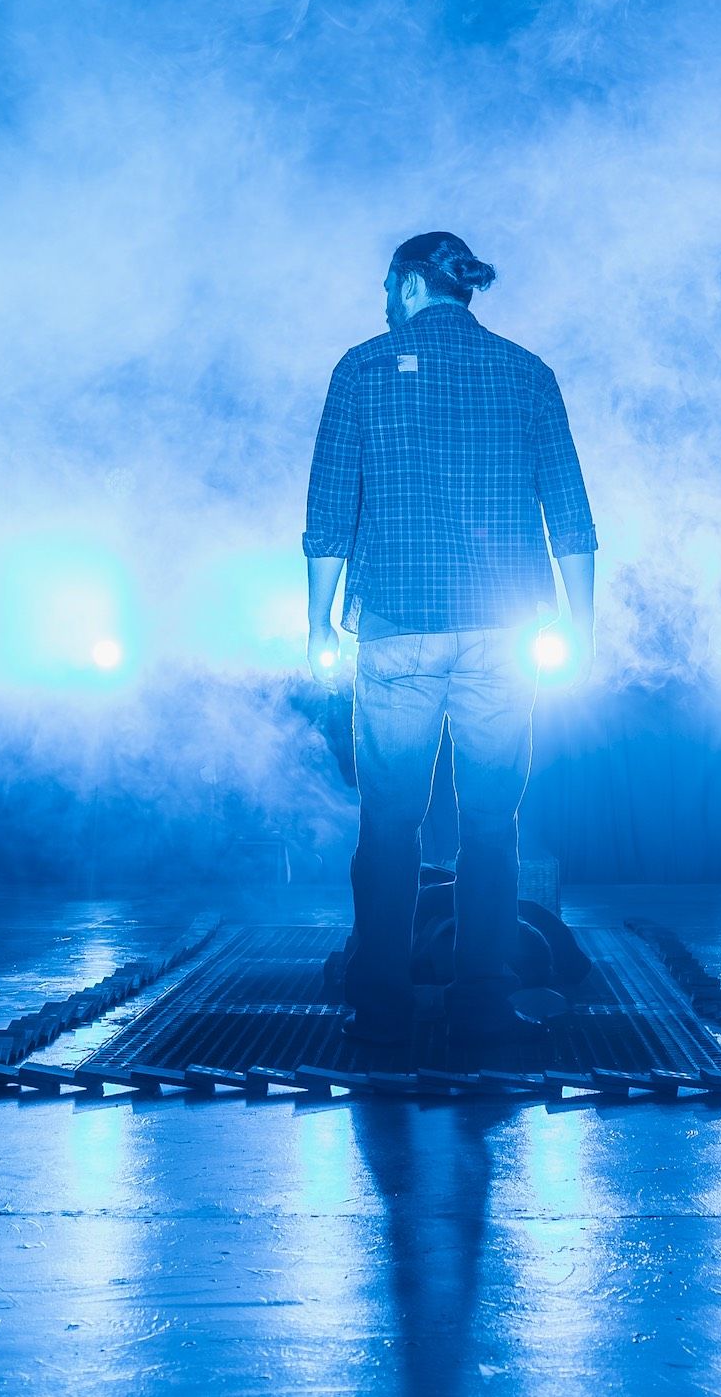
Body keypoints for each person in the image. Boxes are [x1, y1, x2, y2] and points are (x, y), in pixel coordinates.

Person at [303, 232, 595, 1056]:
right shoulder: (528, 372)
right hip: (505, 635)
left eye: (385, 285)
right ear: (460, 289)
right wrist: (582, 625)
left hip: (395, 632)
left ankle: (384, 1003)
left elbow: (330, 513)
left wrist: (319, 622)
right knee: (493, 823)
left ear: (406, 284)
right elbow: (570, 514)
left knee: (389, 824)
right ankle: (481, 1003)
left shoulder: (361, 366)